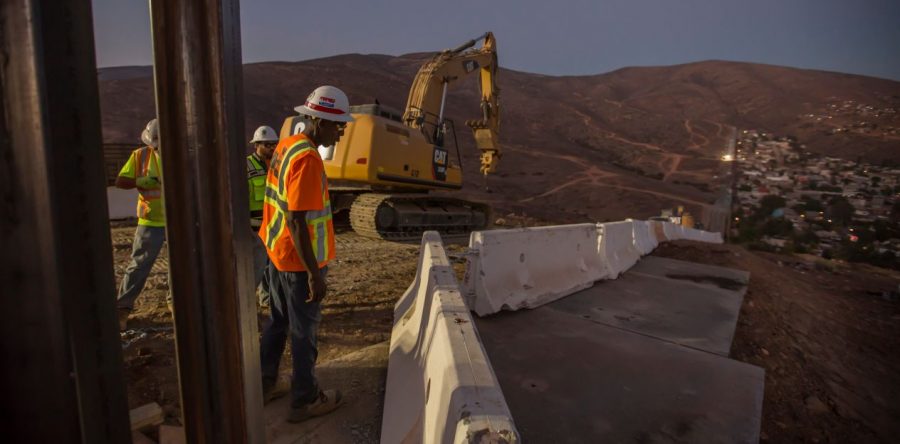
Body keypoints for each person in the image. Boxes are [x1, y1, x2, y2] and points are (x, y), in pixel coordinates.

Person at [258, 85, 351, 422]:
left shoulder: (287, 145)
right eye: (337, 127)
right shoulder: (309, 159)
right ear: (318, 121)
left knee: (278, 322)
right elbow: (298, 220)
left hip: (278, 252)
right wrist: (314, 273)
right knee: (303, 331)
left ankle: (264, 384)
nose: (339, 135)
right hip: (298, 263)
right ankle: (305, 399)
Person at [115, 119, 169, 331]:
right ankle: (123, 307)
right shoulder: (140, 156)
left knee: (181, 268)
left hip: (177, 222)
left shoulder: (181, 154)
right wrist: (140, 181)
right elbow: (120, 181)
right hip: (150, 220)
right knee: (139, 265)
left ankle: (174, 303)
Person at [247, 125, 278, 306]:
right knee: (257, 267)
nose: (271, 148)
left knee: (270, 267)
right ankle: (247, 300)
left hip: (272, 225)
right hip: (254, 227)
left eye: (273, 145)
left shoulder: (275, 165)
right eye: (267, 145)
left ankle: (266, 298)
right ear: (256, 145)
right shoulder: (247, 166)